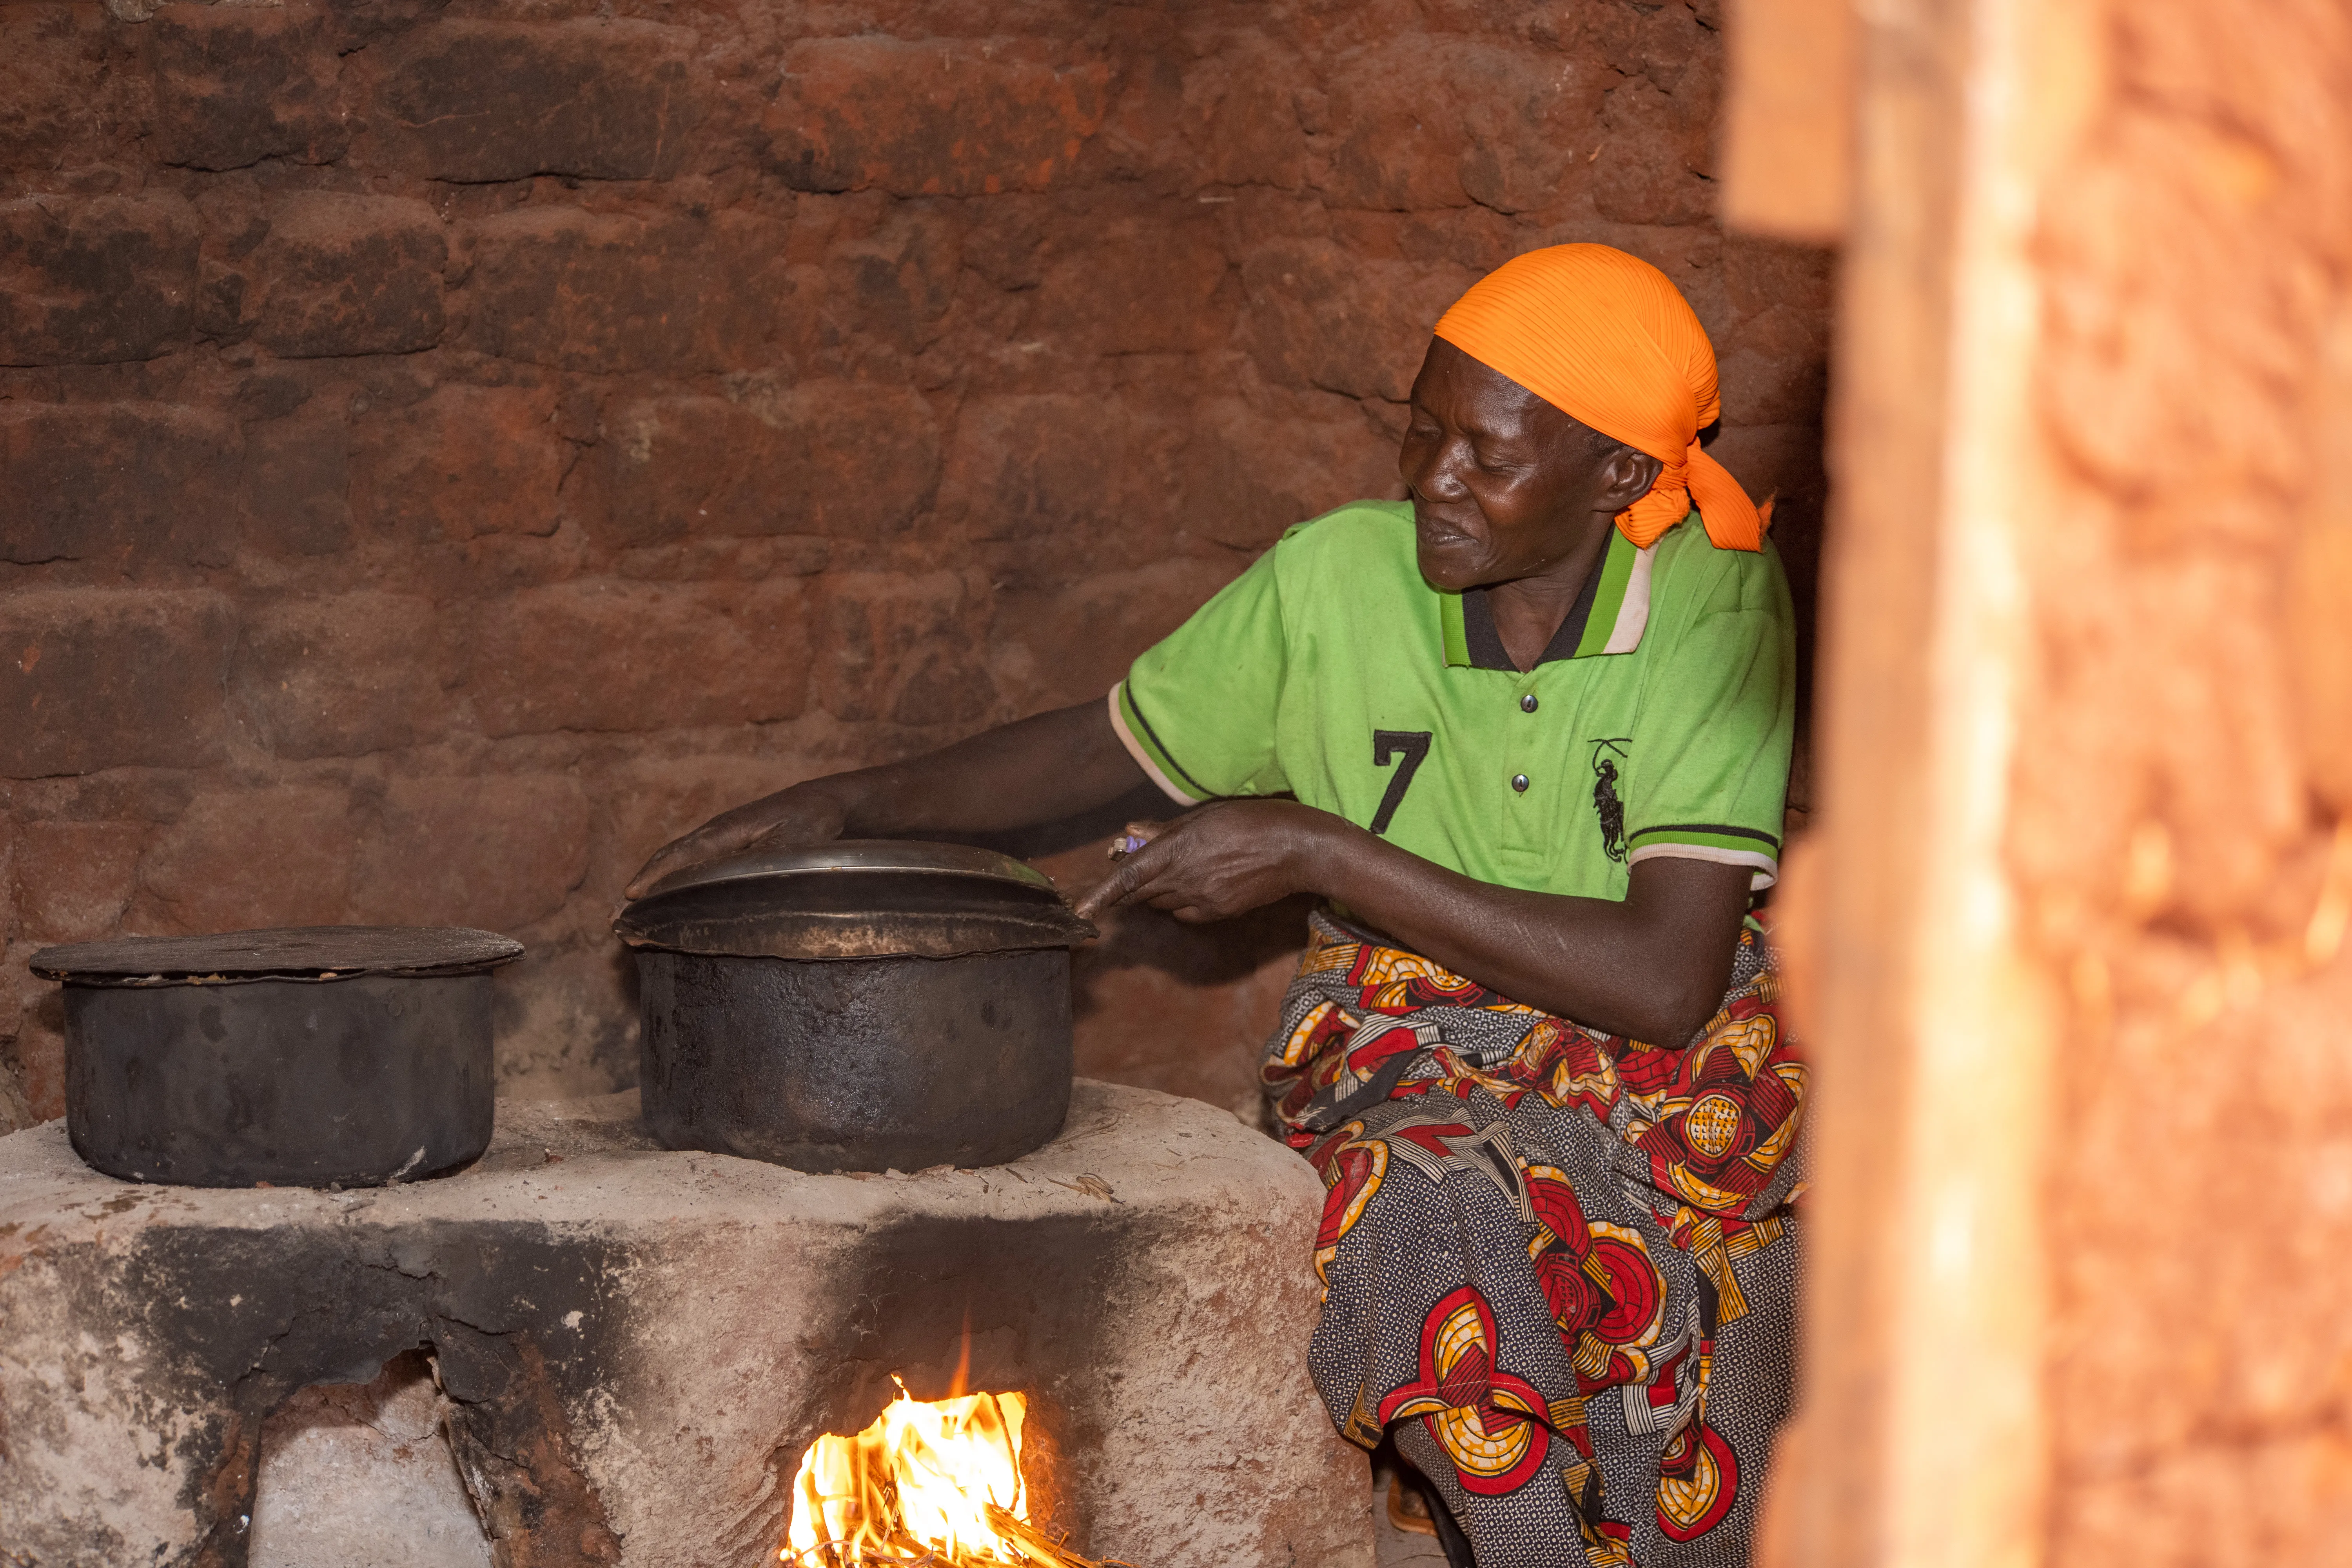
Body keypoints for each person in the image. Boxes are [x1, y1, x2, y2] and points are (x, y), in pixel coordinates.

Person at [629, 243, 1803, 1568]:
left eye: (1490, 455)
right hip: (1404, 1046)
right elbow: (1104, 748)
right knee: (1417, 1215)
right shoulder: (1337, 582)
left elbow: (1666, 982)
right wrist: (849, 806)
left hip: (1665, 1071)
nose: (1434, 478)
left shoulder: (1715, 602)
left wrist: (1322, 851)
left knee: (1730, 1264)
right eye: (1422, 432)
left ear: (1621, 477)